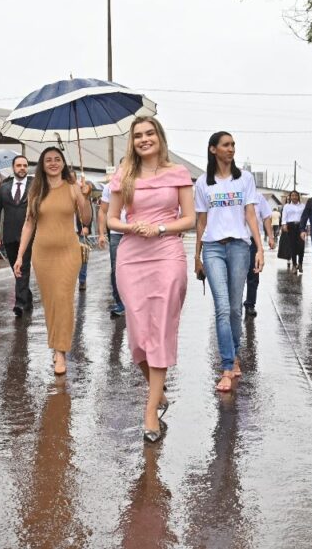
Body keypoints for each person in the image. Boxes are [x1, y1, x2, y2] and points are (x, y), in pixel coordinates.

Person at [107, 117, 195, 442]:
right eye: (138, 136)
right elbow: (111, 219)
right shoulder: (124, 175)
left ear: (160, 136)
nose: (144, 139)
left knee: (160, 330)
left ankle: (150, 410)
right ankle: (159, 392)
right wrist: (131, 227)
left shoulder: (178, 173)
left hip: (167, 252)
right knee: (137, 336)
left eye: (149, 133)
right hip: (132, 256)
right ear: (132, 142)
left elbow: (189, 219)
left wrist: (159, 228)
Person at [194, 131, 265, 393]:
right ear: (213, 149)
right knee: (222, 307)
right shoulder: (203, 182)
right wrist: (197, 256)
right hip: (213, 248)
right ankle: (226, 366)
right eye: (226, 145)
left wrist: (259, 248)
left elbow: (250, 214)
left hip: (239, 247)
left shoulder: (244, 179)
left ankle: (234, 355)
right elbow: (201, 221)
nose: (231, 148)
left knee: (235, 308)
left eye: (233, 144)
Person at [14, 148, 91, 375]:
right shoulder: (36, 191)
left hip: (69, 252)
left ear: (63, 163)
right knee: (51, 302)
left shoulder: (73, 188)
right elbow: (29, 224)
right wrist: (20, 255)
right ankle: (57, 346)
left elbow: (86, 219)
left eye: (57, 159)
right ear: (42, 165)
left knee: (63, 299)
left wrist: (85, 197)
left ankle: (61, 351)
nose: (53, 163)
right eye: (48, 160)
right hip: (42, 255)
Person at [0, 155, 33, 317]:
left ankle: (19, 303)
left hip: (27, 236)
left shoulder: (34, 186)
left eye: (25, 165)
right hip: (8, 236)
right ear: (13, 167)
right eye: (19, 165)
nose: (22, 168)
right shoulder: (4, 188)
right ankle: (27, 296)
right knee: (15, 268)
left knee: (23, 266)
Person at [244, 189, 275, 318]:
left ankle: (250, 304)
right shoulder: (231, 194)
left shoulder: (258, 197)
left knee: (253, 272)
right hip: (234, 241)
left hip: (252, 240)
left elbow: (266, 217)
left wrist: (271, 237)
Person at [97, 180, 126, 317]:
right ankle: (120, 303)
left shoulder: (140, 182)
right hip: (116, 233)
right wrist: (101, 234)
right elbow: (103, 211)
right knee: (116, 268)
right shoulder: (110, 187)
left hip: (137, 232)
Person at [277, 191, 305, 272]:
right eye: (292, 195)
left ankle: (300, 264)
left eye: (296, 195)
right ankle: (294, 265)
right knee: (292, 246)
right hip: (291, 227)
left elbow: (305, 216)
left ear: (298, 197)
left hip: (300, 227)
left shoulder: (303, 206)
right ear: (290, 197)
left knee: (301, 246)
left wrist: (308, 226)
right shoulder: (287, 206)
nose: (294, 197)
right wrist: (284, 224)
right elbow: (284, 216)